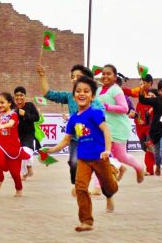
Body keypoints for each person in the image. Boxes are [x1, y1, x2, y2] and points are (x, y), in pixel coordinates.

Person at [44, 76, 117, 231]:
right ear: (74, 95)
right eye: (78, 91)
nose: (81, 94)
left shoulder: (95, 113)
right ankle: (86, 221)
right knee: (80, 187)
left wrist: (107, 150)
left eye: (86, 91)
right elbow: (66, 140)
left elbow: (106, 130)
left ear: (93, 96)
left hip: (99, 157)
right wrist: (52, 149)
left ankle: (112, 171)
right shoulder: (73, 119)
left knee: (110, 189)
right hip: (83, 158)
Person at [37, 63, 95, 194]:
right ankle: (79, 185)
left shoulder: (93, 98)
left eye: (78, 76)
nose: (74, 79)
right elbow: (48, 94)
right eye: (72, 77)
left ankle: (86, 186)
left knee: (95, 166)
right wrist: (42, 76)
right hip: (75, 139)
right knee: (74, 162)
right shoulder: (69, 97)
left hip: (92, 139)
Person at [96, 65, 145, 183]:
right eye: (103, 74)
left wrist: (107, 107)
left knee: (121, 156)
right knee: (102, 155)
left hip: (118, 127)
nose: (105, 76)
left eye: (109, 74)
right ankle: (102, 184)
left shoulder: (116, 89)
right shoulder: (98, 90)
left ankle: (139, 168)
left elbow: (124, 108)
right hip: (104, 128)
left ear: (114, 77)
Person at [128, 75, 157, 175]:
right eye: (140, 84)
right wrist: (133, 115)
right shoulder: (140, 102)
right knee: (145, 148)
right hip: (140, 129)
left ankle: (150, 169)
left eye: (144, 83)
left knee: (149, 146)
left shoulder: (155, 103)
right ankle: (157, 158)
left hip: (151, 129)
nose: (141, 86)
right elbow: (137, 115)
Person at [12, 86, 40, 179]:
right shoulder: (13, 108)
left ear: (25, 96)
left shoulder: (30, 106)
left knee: (26, 151)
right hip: (17, 135)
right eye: (17, 95)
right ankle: (24, 173)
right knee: (19, 154)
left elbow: (36, 118)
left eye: (21, 95)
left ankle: (29, 167)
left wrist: (25, 114)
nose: (19, 97)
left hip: (29, 134)